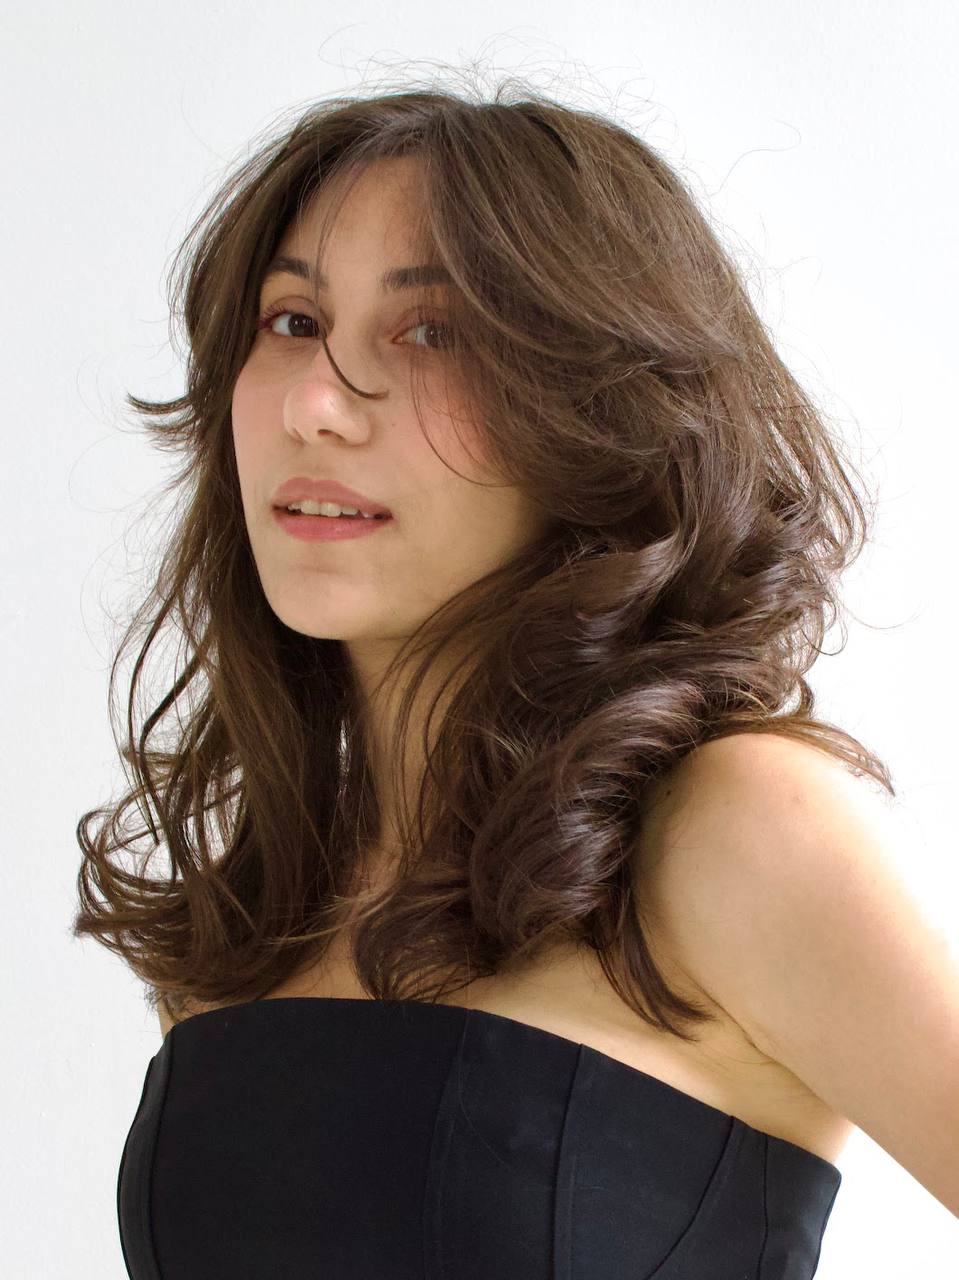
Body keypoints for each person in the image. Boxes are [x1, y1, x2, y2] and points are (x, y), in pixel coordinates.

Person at [74, 78, 958, 1279]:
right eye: (290, 320)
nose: (316, 405)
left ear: (593, 410)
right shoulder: (263, 914)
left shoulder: (729, 827)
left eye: (431, 332)